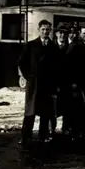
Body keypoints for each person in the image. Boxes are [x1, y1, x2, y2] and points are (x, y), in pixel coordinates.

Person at [17, 19, 59, 147]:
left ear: (50, 31)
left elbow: (57, 67)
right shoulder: (31, 45)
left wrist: (54, 84)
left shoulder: (53, 46)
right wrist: (28, 76)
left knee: (45, 112)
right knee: (30, 111)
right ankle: (25, 136)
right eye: (43, 29)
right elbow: (21, 62)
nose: (45, 32)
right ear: (39, 30)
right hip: (34, 84)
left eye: (47, 30)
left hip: (47, 85)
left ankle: (43, 135)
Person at [66, 24, 85, 140]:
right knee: (77, 108)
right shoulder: (74, 45)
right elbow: (68, 64)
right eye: (84, 33)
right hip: (77, 83)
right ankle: (75, 132)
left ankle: (84, 131)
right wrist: (72, 81)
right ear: (79, 34)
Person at [50, 22, 71, 138]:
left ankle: (65, 128)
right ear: (57, 34)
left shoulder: (70, 47)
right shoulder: (52, 47)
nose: (62, 35)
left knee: (67, 108)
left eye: (65, 33)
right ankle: (51, 130)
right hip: (54, 84)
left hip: (66, 83)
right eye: (60, 33)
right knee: (53, 109)